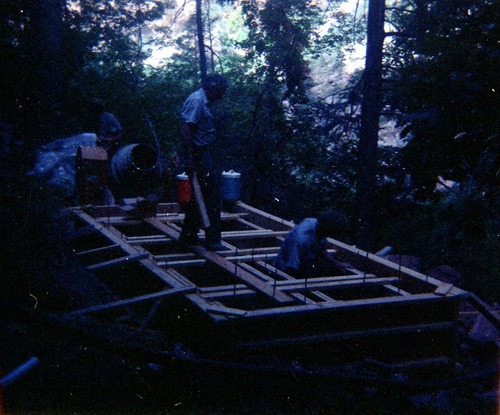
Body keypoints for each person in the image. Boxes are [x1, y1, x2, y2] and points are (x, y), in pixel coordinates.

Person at [179, 74, 228, 250]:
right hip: (198, 153)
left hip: (203, 152)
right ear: (213, 88)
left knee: (199, 195)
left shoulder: (202, 101)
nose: (221, 96)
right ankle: (213, 240)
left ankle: (188, 235)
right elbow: (186, 129)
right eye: (220, 92)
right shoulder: (197, 100)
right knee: (212, 195)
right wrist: (190, 157)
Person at [275, 210, 349, 277]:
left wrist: (336, 263)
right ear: (326, 230)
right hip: (283, 271)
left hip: (304, 263)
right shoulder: (300, 239)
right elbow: (291, 268)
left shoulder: (314, 223)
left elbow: (319, 249)